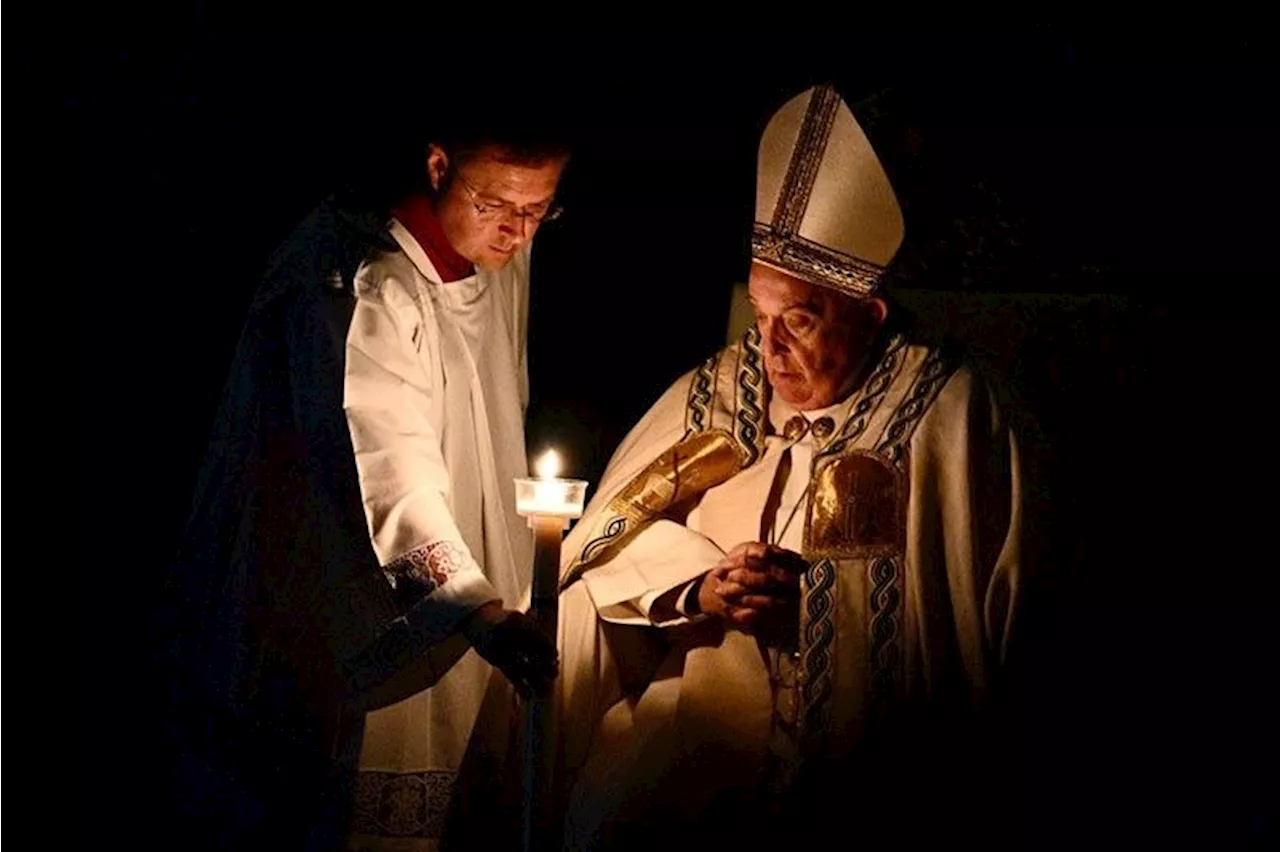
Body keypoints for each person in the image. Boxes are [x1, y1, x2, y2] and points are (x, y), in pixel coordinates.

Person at [448, 83, 1032, 851]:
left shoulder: (947, 415)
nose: (770, 349)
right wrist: (701, 584)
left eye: (798, 319)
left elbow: (971, 633)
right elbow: (597, 560)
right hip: (680, 736)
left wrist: (818, 610)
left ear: (870, 316)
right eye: (759, 315)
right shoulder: (719, 393)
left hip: (854, 773)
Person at [159, 99, 569, 851]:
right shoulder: (365, 286)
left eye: (540, 210)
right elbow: (386, 462)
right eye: (497, 205)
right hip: (361, 596)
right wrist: (472, 608)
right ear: (438, 165)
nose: (517, 232)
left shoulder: (497, 254)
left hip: (472, 556)